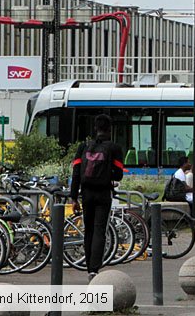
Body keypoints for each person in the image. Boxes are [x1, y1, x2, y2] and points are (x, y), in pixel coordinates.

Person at [70, 114, 125, 281]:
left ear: (95, 128)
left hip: (86, 194)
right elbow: (119, 175)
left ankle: (88, 266)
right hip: (103, 193)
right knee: (100, 229)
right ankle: (95, 268)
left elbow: (76, 174)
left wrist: (73, 198)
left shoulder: (84, 147)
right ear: (109, 129)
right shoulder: (114, 148)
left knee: (89, 230)